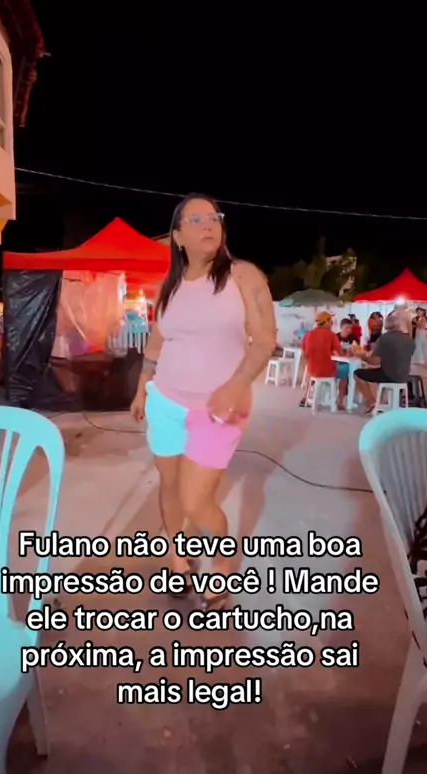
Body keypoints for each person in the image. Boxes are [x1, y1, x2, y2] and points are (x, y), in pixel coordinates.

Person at [129, 193, 276, 610]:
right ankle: (177, 559)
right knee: (170, 488)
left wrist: (238, 383)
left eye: (214, 217)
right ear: (177, 236)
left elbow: (265, 340)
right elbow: (156, 343)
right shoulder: (170, 287)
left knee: (197, 502)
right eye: (196, 219)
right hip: (166, 402)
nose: (209, 223)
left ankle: (223, 564)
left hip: (218, 410)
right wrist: (142, 387)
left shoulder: (243, 275)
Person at [353, 311, 415, 413]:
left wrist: (362, 356)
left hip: (389, 375)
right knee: (376, 373)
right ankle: (380, 402)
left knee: (357, 374)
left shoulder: (385, 338)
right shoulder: (409, 340)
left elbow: (375, 361)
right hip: (404, 376)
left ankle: (371, 402)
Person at [300, 311, 343, 407]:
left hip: (311, 369)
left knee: (311, 372)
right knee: (345, 372)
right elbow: (340, 353)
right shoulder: (331, 335)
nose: (332, 323)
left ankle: (306, 396)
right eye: (330, 320)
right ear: (326, 322)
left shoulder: (308, 334)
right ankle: (340, 401)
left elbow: (304, 354)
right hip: (327, 371)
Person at [335, 317, 354, 410]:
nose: (349, 330)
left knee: (346, 371)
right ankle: (340, 399)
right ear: (341, 327)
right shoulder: (335, 337)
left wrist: (348, 353)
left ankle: (341, 399)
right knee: (344, 372)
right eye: (347, 328)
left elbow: (354, 351)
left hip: (347, 364)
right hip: (335, 363)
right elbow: (334, 351)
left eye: (350, 328)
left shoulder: (353, 338)